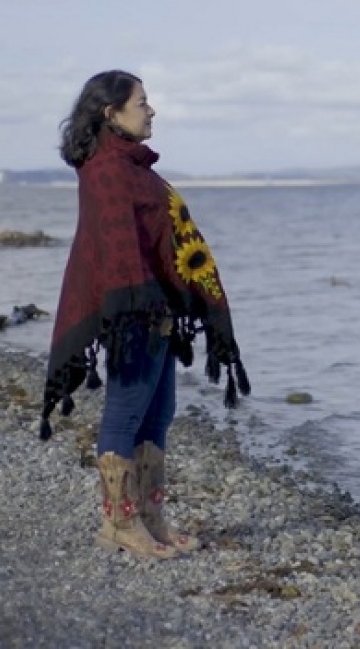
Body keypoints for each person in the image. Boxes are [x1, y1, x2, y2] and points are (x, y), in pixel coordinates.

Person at [41, 70, 250, 559]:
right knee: (126, 413)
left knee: (159, 413)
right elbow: (117, 251)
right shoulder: (107, 169)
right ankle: (119, 523)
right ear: (110, 112)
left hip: (157, 309)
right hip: (133, 312)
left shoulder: (134, 165)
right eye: (142, 102)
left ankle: (151, 516)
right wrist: (145, 310)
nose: (151, 110)